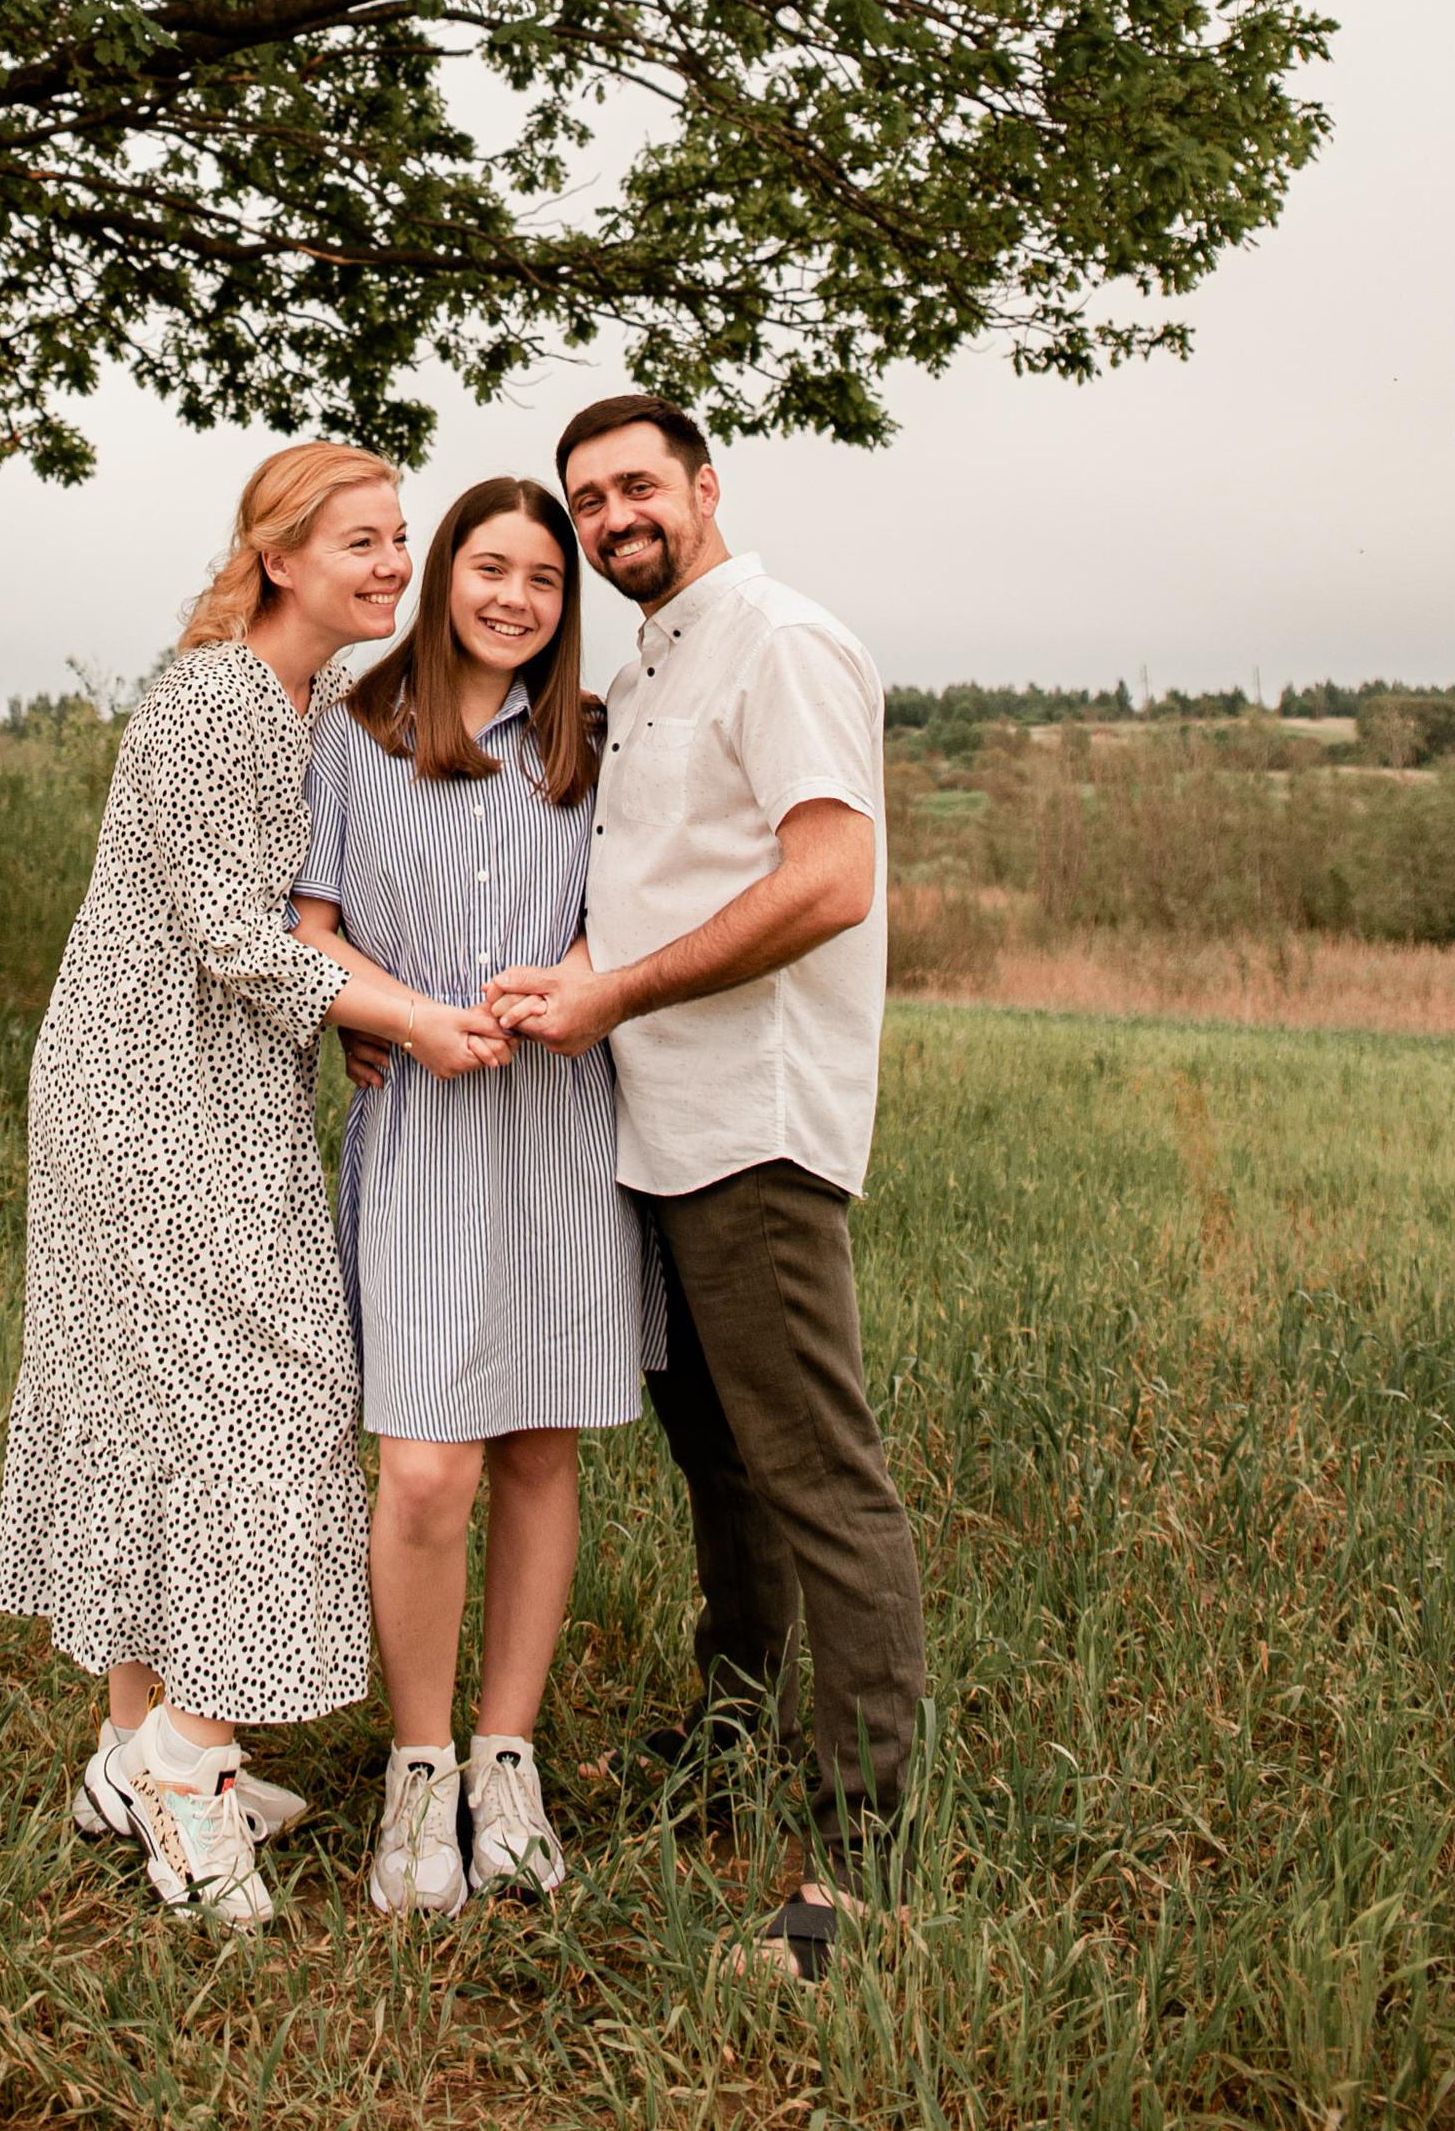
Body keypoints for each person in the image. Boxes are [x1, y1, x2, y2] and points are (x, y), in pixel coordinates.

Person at [0, 441, 511, 1933]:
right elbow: (230, 934)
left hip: (209, 1085)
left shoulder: (314, 703)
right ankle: (192, 1768)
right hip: (152, 1094)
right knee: (264, 1401)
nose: (389, 563)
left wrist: (347, 1012)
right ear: (276, 554)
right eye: (359, 540)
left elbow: (286, 923)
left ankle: (125, 1745)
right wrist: (399, 1017)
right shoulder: (221, 699)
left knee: (168, 1395)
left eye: (399, 538)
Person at [485, 393, 924, 1986]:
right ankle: (729, 1735)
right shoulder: (651, 657)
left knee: (817, 1473)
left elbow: (827, 878)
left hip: (757, 1122)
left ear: (706, 484)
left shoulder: (784, 640)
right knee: (722, 1469)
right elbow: (657, 881)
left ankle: (858, 1867)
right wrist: (561, 988)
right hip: (653, 1123)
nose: (610, 520)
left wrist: (617, 996)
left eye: (635, 488)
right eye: (586, 500)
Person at [293, 478, 660, 1917]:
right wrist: (385, 1010)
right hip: (427, 1122)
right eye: (490, 568)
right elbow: (307, 926)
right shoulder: (356, 730)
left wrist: (575, 971)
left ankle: (508, 1758)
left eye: (545, 581)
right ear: (444, 572)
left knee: (538, 1450)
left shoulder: (590, 743)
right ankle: (420, 1768)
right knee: (428, 1467)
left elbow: (631, 909)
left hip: (564, 1119)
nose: (515, 598)